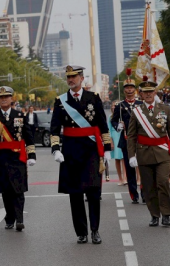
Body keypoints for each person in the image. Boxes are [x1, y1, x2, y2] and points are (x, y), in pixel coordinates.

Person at [50, 65, 112, 244]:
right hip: (70, 152)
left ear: (81, 78)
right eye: (68, 77)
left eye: (74, 77)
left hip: (91, 151)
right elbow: (55, 128)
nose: (70, 80)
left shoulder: (93, 98)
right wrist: (56, 149)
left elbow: (102, 126)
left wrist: (106, 149)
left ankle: (95, 230)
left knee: (93, 192)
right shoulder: (60, 101)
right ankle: (81, 232)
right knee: (75, 194)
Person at [0, 86, 37, 232]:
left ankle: (20, 219)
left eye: (6, 96)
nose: (4, 99)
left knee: (18, 190)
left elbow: (28, 137)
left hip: (17, 156)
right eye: (1, 97)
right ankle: (10, 218)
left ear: (12, 98)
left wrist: (31, 155)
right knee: (6, 191)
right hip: (1, 158)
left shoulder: (20, 115)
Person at [127, 79, 170, 227]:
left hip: (162, 153)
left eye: (151, 91)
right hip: (144, 153)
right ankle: (155, 215)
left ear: (155, 92)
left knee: (163, 183)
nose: (148, 94)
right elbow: (131, 135)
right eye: (145, 92)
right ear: (141, 94)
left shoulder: (165, 109)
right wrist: (131, 155)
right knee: (149, 186)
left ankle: (166, 214)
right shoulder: (136, 112)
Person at [111, 78, 144, 204]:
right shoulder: (120, 106)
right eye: (127, 88)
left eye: (131, 88)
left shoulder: (141, 104)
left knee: (143, 168)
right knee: (130, 169)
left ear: (135, 90)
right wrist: (117, 126)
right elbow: (113, 120)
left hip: (140, 140)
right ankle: (133, 194)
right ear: (124, 90)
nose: (129, 90)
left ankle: (144, 193)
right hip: (126, 140)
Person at [108, 100, 127, 185]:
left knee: (124, 158)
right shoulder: (110, 117)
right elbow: (108, 130)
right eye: (113, 105)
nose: (114, 107)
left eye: (116, 106)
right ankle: (120, 178)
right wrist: (110, 141)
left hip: (122, 137)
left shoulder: (123, 116)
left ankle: (125, 177)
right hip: (115, 138)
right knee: (117, 159)